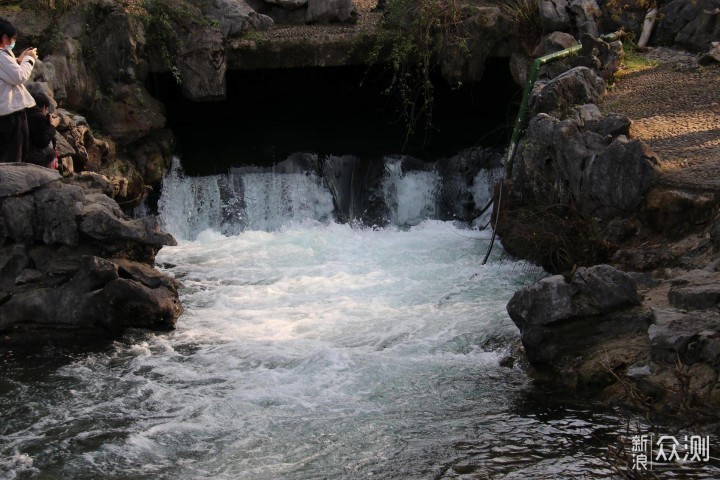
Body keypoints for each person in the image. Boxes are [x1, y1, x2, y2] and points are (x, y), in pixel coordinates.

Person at [0, 18, 37, 163]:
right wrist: (29, 60)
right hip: (10, 115)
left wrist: (18, 60)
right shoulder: (1, 55)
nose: (13, 43)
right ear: (4, 38)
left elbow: (6, 72)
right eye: (12, 39)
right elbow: (19, 76)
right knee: (14, 156)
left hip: (5, 114)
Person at [26, 90, 59, 169]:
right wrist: (52, 125)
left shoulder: (25, 113)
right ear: (44, 107)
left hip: (19, 151)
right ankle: (49, 177)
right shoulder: (39, 117)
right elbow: (42, 142)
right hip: (30, 155)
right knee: (52, 153)